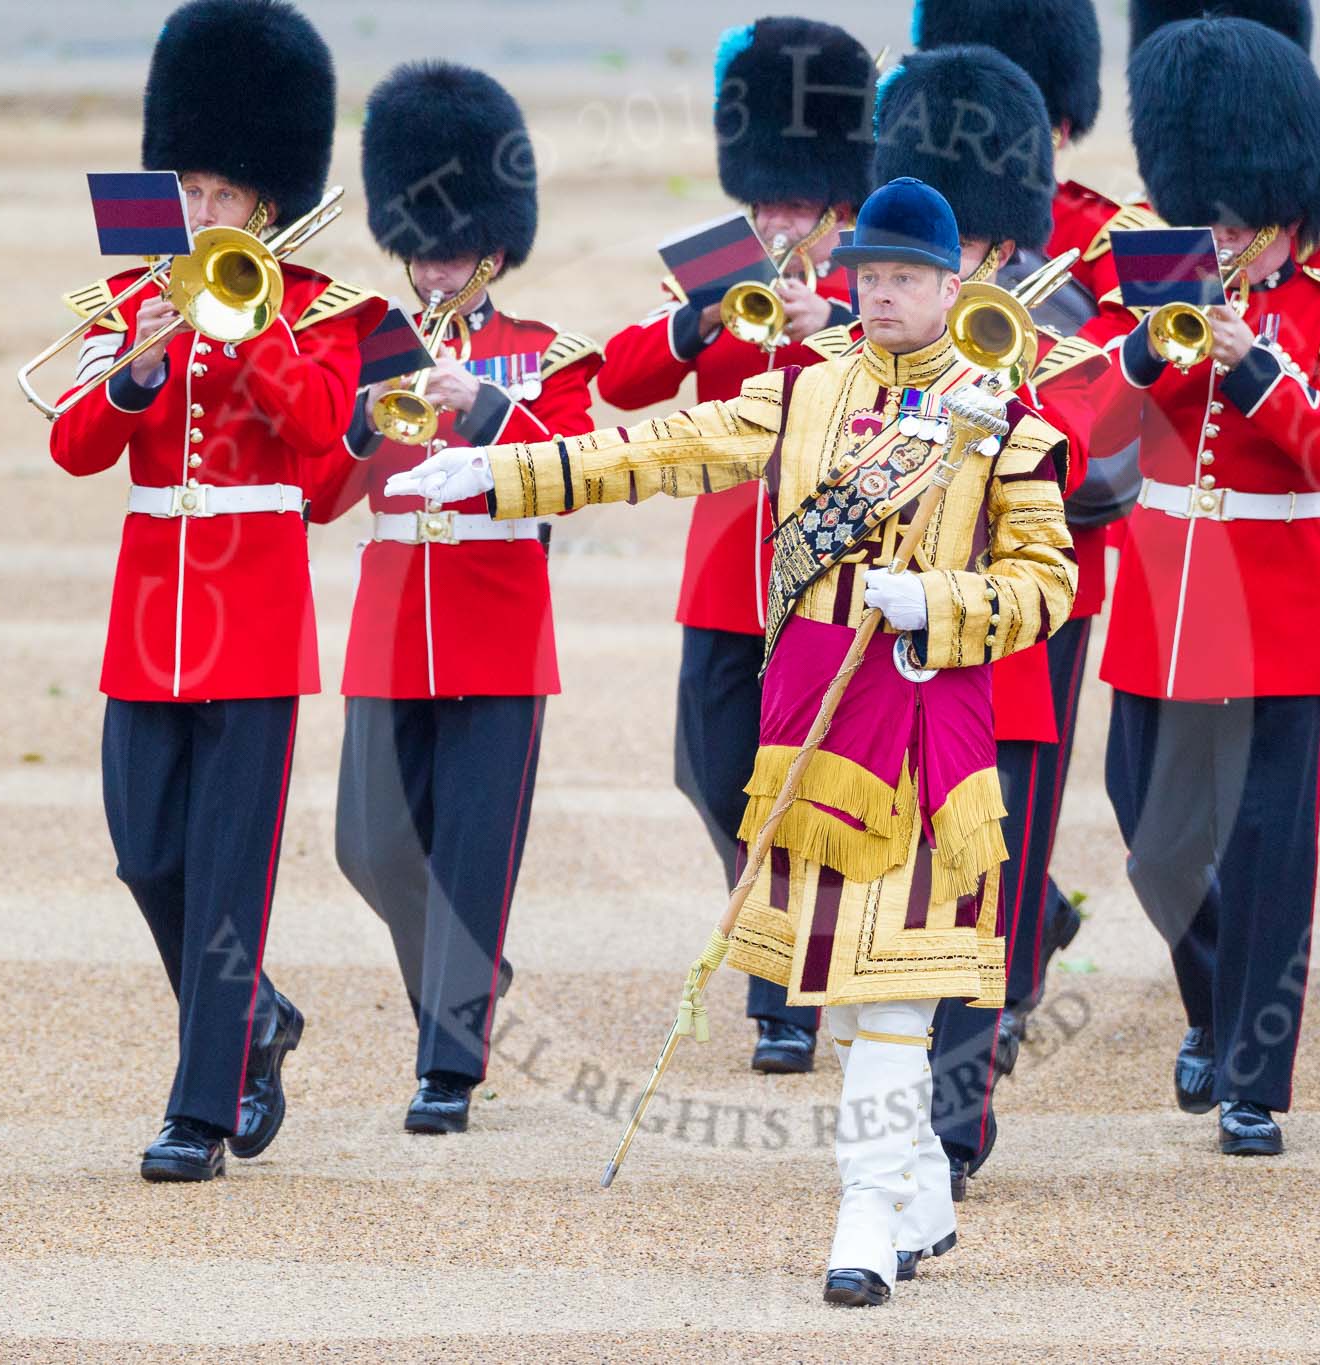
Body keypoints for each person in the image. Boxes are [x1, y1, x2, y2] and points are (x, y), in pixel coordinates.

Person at [390, 176, 1076, 1305]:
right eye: (874, 274)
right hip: (813, 717)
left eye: (907, 277)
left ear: (953, 287)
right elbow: (659, 445)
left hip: (919, 725)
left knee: (893, 982)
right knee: (842, 990)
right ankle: (916, 1187)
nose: (885, 293)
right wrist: (499, 471)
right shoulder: (804, 393)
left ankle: (863, 1208)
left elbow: (1046, 585)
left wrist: (942, 602)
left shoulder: (1004, 418)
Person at [45, 0, 383, 1181]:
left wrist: (243, 333)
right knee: (146, 855)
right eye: (185, 186)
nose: (197, 212)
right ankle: (257, 1018)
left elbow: (321, 444)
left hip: (255, 616)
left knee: (229, 871)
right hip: (148, 615)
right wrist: (137, 369)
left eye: (220, 194)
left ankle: (201, 1107)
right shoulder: (131, 298)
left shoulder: (327, 311)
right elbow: (75, 449)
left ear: (267, 203)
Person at [1101, 15, 1320, 1155]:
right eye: (1208, 219)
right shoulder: (1151, 292)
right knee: (1152, 844)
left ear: (1285, 220)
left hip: (1274, 604)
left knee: (1271, 850)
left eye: (1237, 224)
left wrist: (1255, 365)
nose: (1219, 241)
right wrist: (1142, 352)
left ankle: (1251, 1079)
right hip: (1162, 598)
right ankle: (1212, 1005)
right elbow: (1080, 425)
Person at [308, 61, 601, 1136]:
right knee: (370, 845)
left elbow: (574, 462)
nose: (431, 269)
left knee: (475, 852)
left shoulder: (543, 357)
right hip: (390, 626)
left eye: (449, 250)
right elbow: (317, 498)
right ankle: (473, 978)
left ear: (491, 247)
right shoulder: (366, 347)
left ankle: (447, 1060)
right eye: (417, 249)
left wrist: (482, 412)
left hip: (496, 619)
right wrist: (351, 428)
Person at [856, 39, 1126, 1203]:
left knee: (987, 879)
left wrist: (1004, 415)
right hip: (884, 645)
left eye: (956, 249)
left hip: (1011, 640)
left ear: (1001, 244)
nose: (931, 269)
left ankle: (955, 1122)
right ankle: (897, 1105)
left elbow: (1110, 478)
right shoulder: (864, 340)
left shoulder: (1056, 331)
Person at [595, 16, 874, 1076]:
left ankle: (788, 993)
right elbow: (618, 382)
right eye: (764, 202)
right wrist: (691, 327)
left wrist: (828, 319)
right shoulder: (721, 265)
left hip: (829, 570)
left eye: (792, 204)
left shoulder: (868, 275)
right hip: (727, 569)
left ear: (833, 202)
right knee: (714, 776)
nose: (774, 221)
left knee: (806, 776)